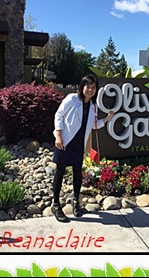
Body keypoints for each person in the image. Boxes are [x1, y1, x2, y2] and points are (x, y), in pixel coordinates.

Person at [51, 74, 114, 222]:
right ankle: (55, 205)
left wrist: (106, 119)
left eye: (93, 87)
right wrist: (58, 136)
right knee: (60, 172)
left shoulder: (93, 106)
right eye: (88, 87)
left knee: (77, 172)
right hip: (65, 141)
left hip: (79, 144)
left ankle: (75, 202)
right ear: (82, 87)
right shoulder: (72, 99)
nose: (91, 90)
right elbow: (59, 115)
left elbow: (92, 125)